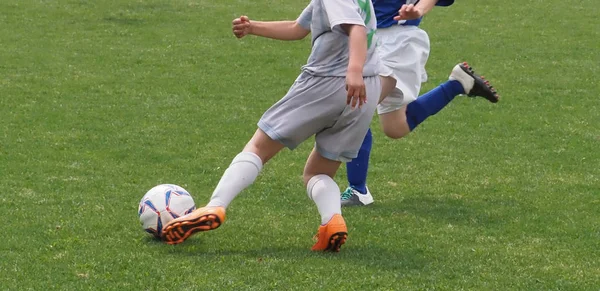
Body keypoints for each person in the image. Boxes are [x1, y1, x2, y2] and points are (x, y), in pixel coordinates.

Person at [161, 0, 380, 252]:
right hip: (365, 92)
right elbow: (298, 28)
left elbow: (356, 29)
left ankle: (215, 205)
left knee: (258, 146)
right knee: (318, 172)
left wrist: (352, 71)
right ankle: (332, 221)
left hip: (331, 81)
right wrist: (253, 27)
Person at [341, 0, 500, 206]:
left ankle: (357, 190)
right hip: (368, 41)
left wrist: (419, 10)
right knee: (395, 127)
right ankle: (458, 84)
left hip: (396, 41)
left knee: (355, 109)